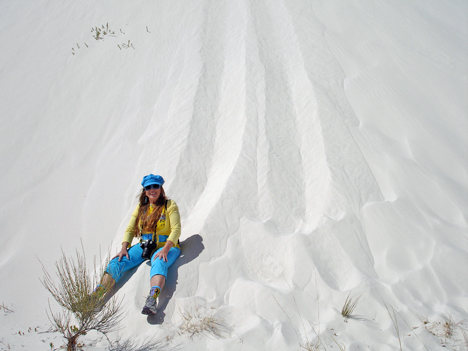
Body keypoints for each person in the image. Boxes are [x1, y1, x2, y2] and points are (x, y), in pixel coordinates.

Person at [98, 174, 181, 315]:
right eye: (148, 187)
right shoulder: (141, 208)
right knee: (116, 262)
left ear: (161, 188)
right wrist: (124, 248)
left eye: (155, 186)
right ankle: (96, 295)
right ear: (144, 190)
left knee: (159, 261)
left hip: (167, 245)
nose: (152, 189)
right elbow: (130, 229)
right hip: (145, 245)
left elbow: (176, 229)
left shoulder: (169, 205)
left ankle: (152, 300)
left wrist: (166, 249)